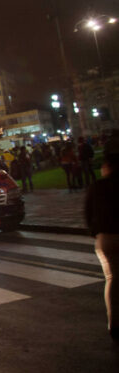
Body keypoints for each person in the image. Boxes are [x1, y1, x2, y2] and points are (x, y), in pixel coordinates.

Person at [85, 137, 119, 343]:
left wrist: (95, 232)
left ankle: (114, 323)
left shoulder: (98, 186)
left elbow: (88, 214)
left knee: (113, 280)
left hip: (106, 237)